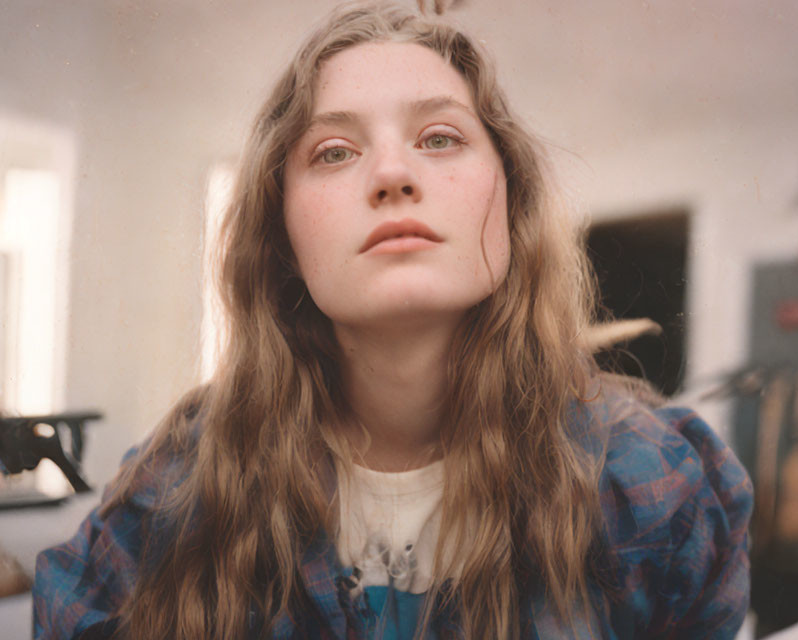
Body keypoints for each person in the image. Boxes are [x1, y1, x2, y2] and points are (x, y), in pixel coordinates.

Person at [32, 2, 753, 638]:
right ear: (282, 239)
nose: (391, 173)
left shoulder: (653, 489)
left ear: (511, 200)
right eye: (335, 152)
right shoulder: (174, 493)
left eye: (439, 138)